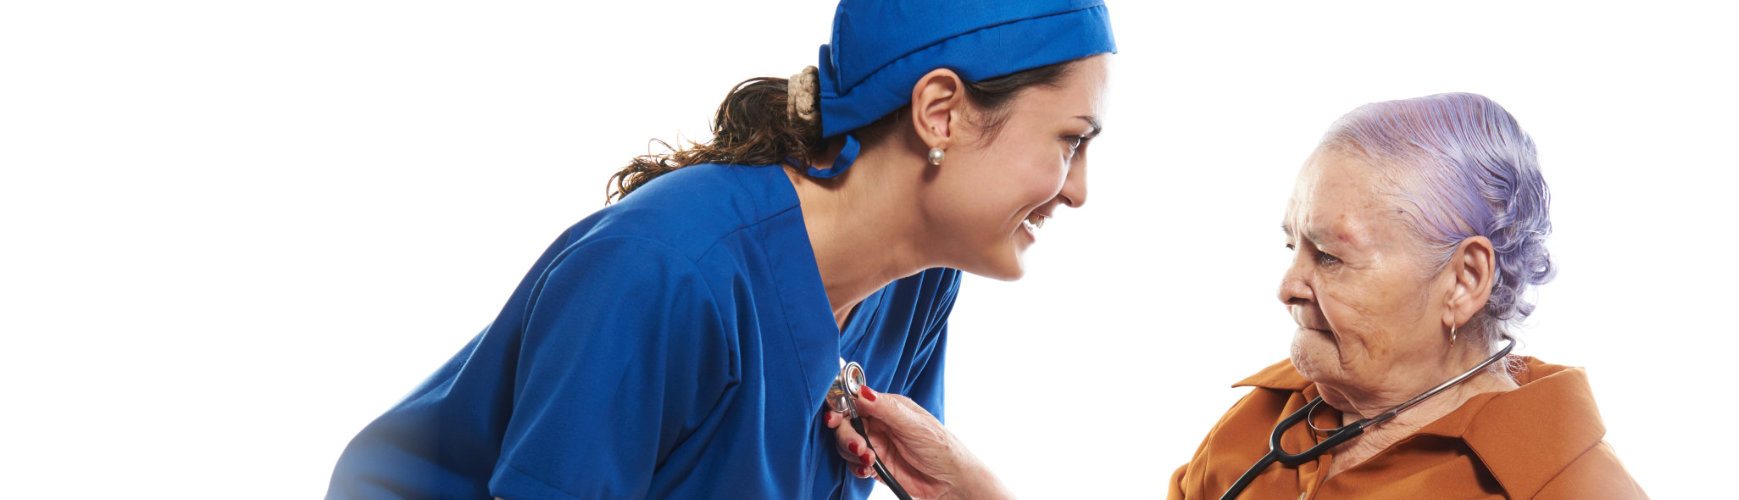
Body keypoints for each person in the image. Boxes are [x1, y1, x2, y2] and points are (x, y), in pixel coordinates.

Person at [323, 0, 1115, 498]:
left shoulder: (916, 282)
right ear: (940, 112)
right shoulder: (666, 272)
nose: (1077, 190)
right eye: (1070, 142)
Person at [831, 93, 1646, 499]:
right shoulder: (1270, 419)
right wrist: (966, 488)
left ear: (1463, 281)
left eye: (1330, 257)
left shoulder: (1567, 485)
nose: (1289, 285)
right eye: (1293, 244)